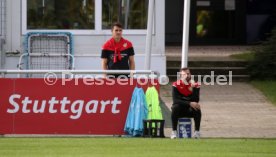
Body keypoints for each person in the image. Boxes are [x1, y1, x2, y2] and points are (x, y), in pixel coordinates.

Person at [170, 67, 202, 139]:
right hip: (179, 110)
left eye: (188, 73)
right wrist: (189, 103)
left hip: (189, 110)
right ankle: (174, 132)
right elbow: (176, 100)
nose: (187, 75)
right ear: (181, 75)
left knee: (197, 107)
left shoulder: (195, 84)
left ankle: (197, 132)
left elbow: (196, 100)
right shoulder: (176, 84)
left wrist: (193, 89)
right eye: (184, 74)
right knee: (175, 107)